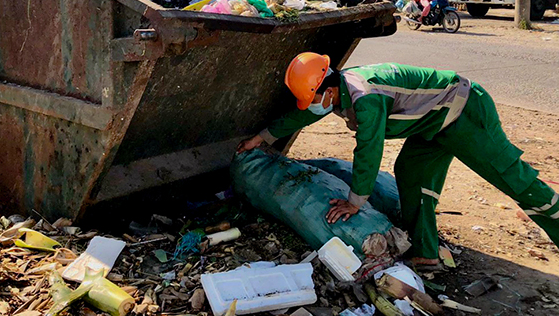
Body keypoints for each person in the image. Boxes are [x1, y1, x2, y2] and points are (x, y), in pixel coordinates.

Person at [237, 53, 559, 265]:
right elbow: (301, 118)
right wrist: (262, 138)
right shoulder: (342, 88)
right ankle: (426, 254)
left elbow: (368, 148)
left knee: (510, 177)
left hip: (464, 113)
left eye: (314, 99)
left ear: (327, 90)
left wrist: (355, 201)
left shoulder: (365, 97)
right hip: (432, 124)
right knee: (410, 173)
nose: (313, 106)